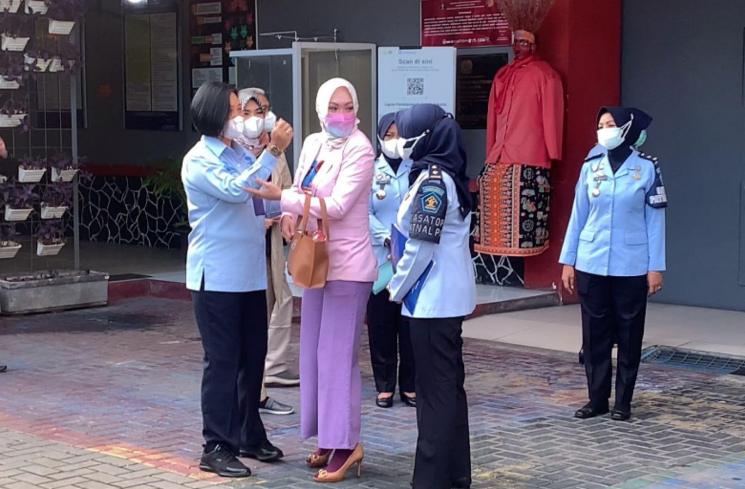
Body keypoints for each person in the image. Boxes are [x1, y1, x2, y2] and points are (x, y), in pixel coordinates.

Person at [248, 77, 375, 483]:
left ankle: (348, 443)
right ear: (321, 110)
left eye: (348, 106)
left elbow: (336, 206)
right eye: (334, 107)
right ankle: (327, 435)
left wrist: (280, 200)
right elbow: (302, 188)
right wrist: (288, 218)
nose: (341, 114)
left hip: (348, 268)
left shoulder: (361, 150)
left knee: (338, 359)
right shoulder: (314, 144)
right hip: (313, 261)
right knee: (315, 356)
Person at [182, 81, 293, 478]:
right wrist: (274, 150)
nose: (240, 119)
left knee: (251, 359)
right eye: (233, 112)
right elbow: (236, 191)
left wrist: (272, 216)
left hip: (247, 275)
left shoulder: (235, 154)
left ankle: (249, 432)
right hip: (217, 277)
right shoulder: (200, 160)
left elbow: (250, 201)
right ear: (214, 115)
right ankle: (216, 444)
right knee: (223, 362)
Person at [387, 104, 475, 489]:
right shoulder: (441, 175)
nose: (400, 143)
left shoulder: (433, 183)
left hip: (430, 299)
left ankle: (431, 479)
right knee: (449, 390)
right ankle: (455, 474)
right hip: (443, 297)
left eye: (406, 134)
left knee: (434, 396)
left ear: (425, 139)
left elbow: (420, 248)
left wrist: (396, 288)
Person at [559, 106, 666, 422]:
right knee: (594, 334)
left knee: (630, 334)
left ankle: (623, 401)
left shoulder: (647, 168)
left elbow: (655, 220)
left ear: (626, 128)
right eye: (600, 124)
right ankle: (596, 399)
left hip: (631, 264)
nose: (604, 129)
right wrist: (568, 260)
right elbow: (578, 215)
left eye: (610, 124)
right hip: (591, 261)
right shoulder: (590, 167)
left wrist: (655, 266)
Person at [475, 6, 564, 259]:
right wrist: (491, 150)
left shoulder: (545, 75)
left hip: (529, 152)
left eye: (523, 42)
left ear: (533, 45)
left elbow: (552, 114)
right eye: (515, 42)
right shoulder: (502, 75)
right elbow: (493, 116)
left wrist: (552, 149)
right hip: (500, 154)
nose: (517, 48)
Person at [236, 87, 295, 418]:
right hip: (246, 247)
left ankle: (266, 379)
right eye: (249, 113)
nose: (258, 120)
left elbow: (287, 189)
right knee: (251, 318)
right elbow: (235, 195)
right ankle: (253, 394)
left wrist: (285, 212)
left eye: (264, 112)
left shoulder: (277, 152)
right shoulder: (235, 153)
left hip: (271, 244)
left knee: (278, 302)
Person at [367, 113, 416, 409]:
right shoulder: (371, 171)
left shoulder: (417, 169)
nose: (395, 141)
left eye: (400, 135)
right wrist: (387, 237)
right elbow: (363, 212)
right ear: (380, 138)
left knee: (409, 324)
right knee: (381, 323)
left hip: (412, 256)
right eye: (389, 135)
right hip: (382, 257)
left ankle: (410, 384)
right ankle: (384, 384)